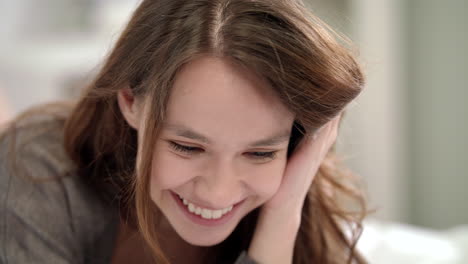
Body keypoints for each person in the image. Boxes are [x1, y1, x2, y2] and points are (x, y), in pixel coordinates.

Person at [0, 0, 367, 263]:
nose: (218, 191)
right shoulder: (37, 168)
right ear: (130, 100)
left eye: (259, 153)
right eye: (187, 146)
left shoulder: (293, 191)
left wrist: (282, 217)